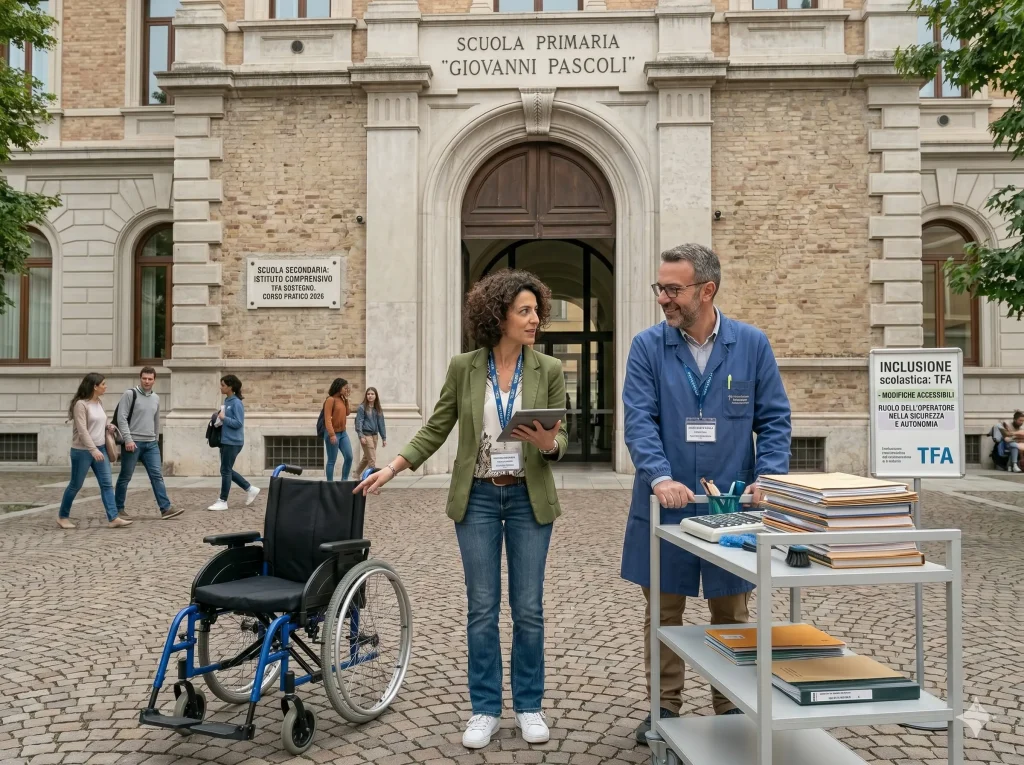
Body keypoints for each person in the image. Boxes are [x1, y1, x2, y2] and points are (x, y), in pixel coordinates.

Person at [355, 269, 568, 750]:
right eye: (525, 311)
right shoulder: (464, 367)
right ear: (499, 315)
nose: (535, 319)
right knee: (482, 608)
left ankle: (529, 706)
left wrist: (551, 443)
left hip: (527, 498)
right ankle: (485, 709)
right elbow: (437, 427)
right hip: (477, 498)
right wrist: (391, 468)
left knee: (529, 609)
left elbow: (563, 438)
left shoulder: (548, 370)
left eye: (537, 310)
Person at [620, 243, 792, 742]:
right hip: (667, 505)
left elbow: (776, 420)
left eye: (673, 289)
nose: (663, 299)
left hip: (731, 509)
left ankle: (731, 711)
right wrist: (659, 476)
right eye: (661, 288)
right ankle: (665, 710)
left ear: (707, 290)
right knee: (665, 613)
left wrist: (770, 477)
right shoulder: (648, 347)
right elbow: (640, 420)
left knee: (731, 613)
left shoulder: (752, 345)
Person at [57, 373, 133, 529]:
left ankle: (113, 518)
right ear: (95, 386)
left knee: (106, 484)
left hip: (101, 448)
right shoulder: (81, 405)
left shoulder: (99, 402)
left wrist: (108, 427)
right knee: (75, 485)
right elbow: (83, 430)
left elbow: (101, 421)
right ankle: (62, 516)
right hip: (83, 451)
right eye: (103, 384)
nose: (106, 387)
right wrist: (93, 450)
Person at [114, 367, 181, 520]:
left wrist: (156, 440)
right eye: (144, 378)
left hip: (151, 444)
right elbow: (121, 418)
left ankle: (165, 509)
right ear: (140, 378)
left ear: (154, 380)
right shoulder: (130, 394)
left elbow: (156, 420)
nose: (147, 381)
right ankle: (118, 509)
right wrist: (128, 439)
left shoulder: (156, 398)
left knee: (157, 476)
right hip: (133, 443)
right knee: (125, 476)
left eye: (150, 379)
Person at [207, 375, 260, 511]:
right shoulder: (227, 401)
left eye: (223, 385)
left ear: (230, 387)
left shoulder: (236, 403)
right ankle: (250, 489)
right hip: (225, 440)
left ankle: (223, 500)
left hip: (233, 441)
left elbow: (238, 423)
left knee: (225, 470)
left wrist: (224, 418)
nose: (221, 387)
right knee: (226, 470)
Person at [323, 378, 354, 481]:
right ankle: (329, 484)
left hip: (343, 433)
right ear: (339, 387)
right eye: (345, 388)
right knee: (332, 460)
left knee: (349, 457)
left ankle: (344, 481)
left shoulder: (342, 399)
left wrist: (346, 400)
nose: (347, 390)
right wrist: (331, 434)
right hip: (333, 433)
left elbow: (347, 413)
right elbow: (327, 418)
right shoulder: (330, 400)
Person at [355, 386, 387, 477]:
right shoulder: (362, 408)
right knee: (372, 459)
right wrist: (361, 435)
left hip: (374, 436)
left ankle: (356, 474)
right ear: (366, 396)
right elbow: (359, 422)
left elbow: (381, 424)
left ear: (376, 396)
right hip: (366, 435)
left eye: (372, 394)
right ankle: (372, 479)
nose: (370, 396)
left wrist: (384, 438)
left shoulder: (378, 409)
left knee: (366, 458)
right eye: (368, 394)